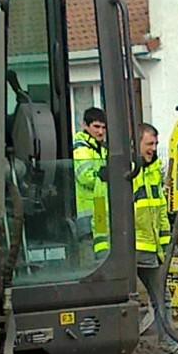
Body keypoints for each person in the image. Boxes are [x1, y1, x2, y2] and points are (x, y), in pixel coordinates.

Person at [133, 123, 178, 354]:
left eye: (156, 144)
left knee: (163, 298)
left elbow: (159, 210)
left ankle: (168, 342)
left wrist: (166, 242)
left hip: (151, 248)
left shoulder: (154, 170)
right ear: (136, 144)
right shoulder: (127, 171)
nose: (154, 148)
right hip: (133, 248)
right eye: (149, 143)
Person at [72, 107, 109, 256]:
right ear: (85, 126)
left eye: (103, 127)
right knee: (90, 258)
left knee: (102, 253)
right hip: (89, 213)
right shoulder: (81, 148)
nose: (100, 132)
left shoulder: (100, 148)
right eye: (96, 127)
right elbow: (86, 177)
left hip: (100, 209)